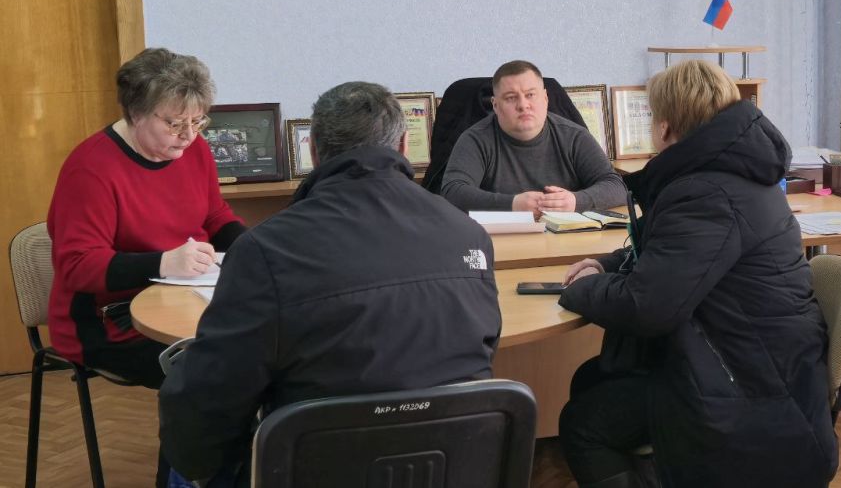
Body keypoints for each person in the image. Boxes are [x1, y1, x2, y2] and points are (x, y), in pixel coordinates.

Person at [159, 82, 501, 486]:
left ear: (314, 152)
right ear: (405, 146)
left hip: (317, 467)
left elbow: (211, 401)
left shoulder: (265, 250)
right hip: (449, 464)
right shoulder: (469, 235)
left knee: (183, 448)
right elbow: (483, 350)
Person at [557, 60, 838, 488]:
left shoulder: (706, 193)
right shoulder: (732, 172)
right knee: (592, 379)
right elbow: (670, 254)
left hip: (750, 391)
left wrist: (583, 290)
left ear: (666, 128)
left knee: (583, 423)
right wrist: (607, 265)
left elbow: (648, 307)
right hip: (760, 364)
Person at [47, 47, 246, 487]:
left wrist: (253, 248)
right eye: (173, 123)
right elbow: (78, 266)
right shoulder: (92, 169)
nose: (188, 135)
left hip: (182, 300)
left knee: (259, 355)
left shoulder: (193, 152)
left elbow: (214, 216)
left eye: (198, 121)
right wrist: (162, 261)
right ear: (136, 113)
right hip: (107, 321)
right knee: (208, 375)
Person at [440, 60, 627, 214]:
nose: (523, 105)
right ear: (495, 105)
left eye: (530, 95)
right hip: (502, 243)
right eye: (511, 97)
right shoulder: (476, 139)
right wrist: (512, 204)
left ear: (545, 98)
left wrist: (576, 201)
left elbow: (616, 186)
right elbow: (452, 191)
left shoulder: (574, 136)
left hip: (565, 241)